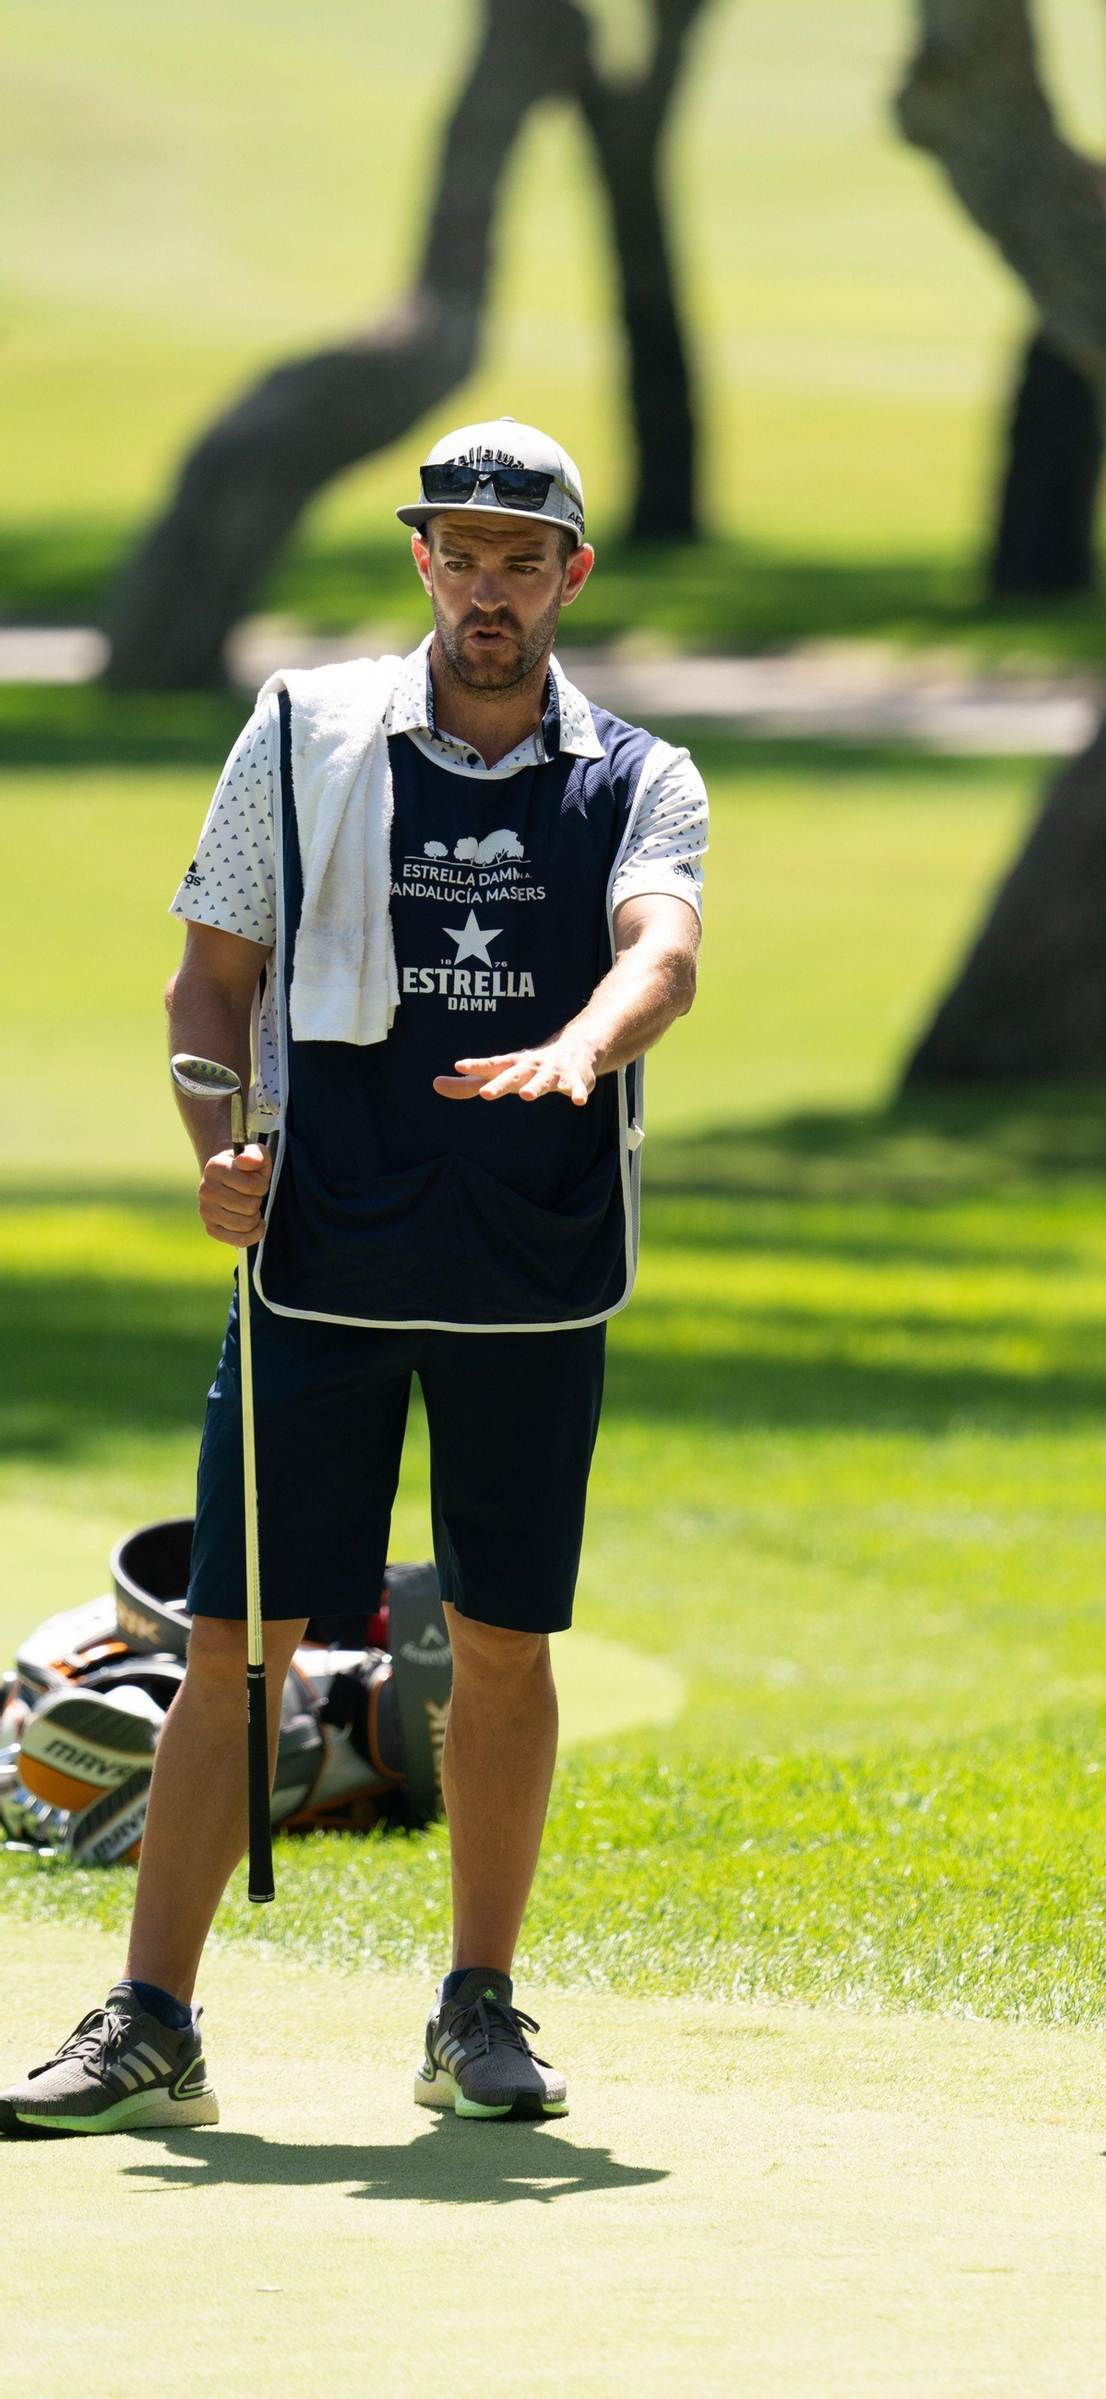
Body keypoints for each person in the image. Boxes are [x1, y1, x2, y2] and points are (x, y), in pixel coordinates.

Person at [0, 418, 706, 2134]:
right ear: (421, 563)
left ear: (570, 578)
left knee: (502, 1645)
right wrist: (215, 1149)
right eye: (458, 555)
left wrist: (581, 1050)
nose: (485, 588)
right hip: (320, 1259)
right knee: (233, 1642)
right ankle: (150, 2019)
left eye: (519, 560)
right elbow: (207, 987)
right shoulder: (301, 733)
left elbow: (662, 951)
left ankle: (479, 2009)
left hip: (533, 1274)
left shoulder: (643, 774)